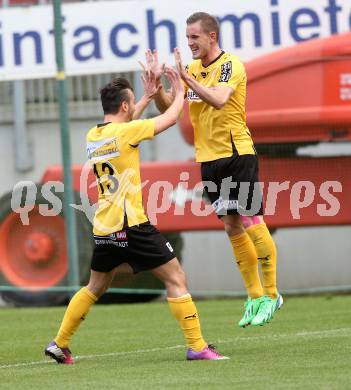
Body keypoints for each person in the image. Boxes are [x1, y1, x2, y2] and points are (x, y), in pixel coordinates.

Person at [44, 68, 227, 364]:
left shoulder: (95, 135)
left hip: (105, 226)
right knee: (176, 277)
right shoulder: (127, 132)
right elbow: (168, 119)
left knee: (95, 286)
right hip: (132, 225)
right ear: (125, 107)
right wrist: (180, 90)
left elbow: (127, 124)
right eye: (132, 104)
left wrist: (145, 97)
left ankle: (60, 343)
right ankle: (197, 346)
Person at [146, 11, 283, 328]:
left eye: (194, 36)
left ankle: (272, 294)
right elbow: (173, 109)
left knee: (251, 220)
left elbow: (220, 100)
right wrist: (158, 92)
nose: (190, 42)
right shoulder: (191, 69)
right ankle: (254, 296)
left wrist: (188, 80)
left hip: (237, 154)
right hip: (208, 161)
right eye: (187, 36)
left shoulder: (230, 66)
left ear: (212, 37)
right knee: (232, 226)